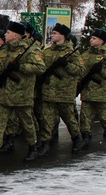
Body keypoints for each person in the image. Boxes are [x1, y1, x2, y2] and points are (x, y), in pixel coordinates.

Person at [0, 20, 47, 166]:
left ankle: (32, 147)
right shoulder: (6, 49)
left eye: (8, 33)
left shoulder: (30, 50)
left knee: (27, 124)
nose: (5, 35)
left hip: (22, 94)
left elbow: (40, 67)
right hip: (5, 93)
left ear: (16, 35)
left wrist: (21, 67)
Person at [36, 23, 86, 157]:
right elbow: (39, 66)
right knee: (46, 118)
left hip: (64, 92)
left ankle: (77, 138)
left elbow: (80, 70)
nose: (52, 35)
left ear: (62, 36)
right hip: (49, 90)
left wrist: (67, 65)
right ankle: (45, 142)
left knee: (69, 118)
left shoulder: (72, 53)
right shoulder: (47, 51)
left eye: (54, 33)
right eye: (52, 33)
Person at [78, 28, 106, 148]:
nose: (91, 40)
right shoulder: (86, 54)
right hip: (87, 89)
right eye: (91, 38)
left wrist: (102, 71)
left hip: (100, 90)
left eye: (94, 38)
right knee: (85, 115)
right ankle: (86, 136)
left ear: (101, 41)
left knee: (103, 115)